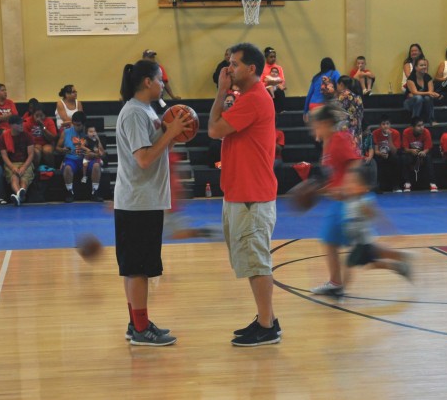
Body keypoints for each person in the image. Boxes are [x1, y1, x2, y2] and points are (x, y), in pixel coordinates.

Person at [208, 42, 281, 347]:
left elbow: (214, 129)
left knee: (256, 262)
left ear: (252, 68)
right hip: (242, 192)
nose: (229, 70)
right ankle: (267, 319)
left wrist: (220, 91)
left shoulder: (253, 99)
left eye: (234, 64)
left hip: (252, 195)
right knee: (252, 262)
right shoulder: (248, 97)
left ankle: (267, 328)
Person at [115, 59, 191, 346]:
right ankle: (140, 328)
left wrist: (173, 135)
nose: (163, 84)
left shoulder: (148, 110)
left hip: (145, 200)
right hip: (137, 201)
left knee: (137, 267)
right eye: (161, 79)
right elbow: (144, 159)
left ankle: (137, 322)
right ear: (147, 81)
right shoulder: (135, 113)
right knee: (137, 269)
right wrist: (170, 134)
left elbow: (153, 150)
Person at [308, 101, 362, 297]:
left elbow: (355, 163)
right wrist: (318, 189)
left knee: (363, 250)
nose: (313, 127)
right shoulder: (327, 143)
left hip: (348, 201)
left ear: (325, 123)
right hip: (338, 200)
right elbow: (332, 175)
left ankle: (400, 261)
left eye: (316, 123)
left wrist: (348, 185)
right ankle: (336, 283)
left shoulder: (339, 138)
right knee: (330, 241)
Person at [342, 165, 412, 285]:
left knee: (347, 264)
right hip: (359, 241)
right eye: (347, 181)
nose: (348, 184)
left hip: (363, 243)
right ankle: (400, 266)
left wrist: (392, 231)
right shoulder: (350, 199)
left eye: (353, 182)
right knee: (372, 264)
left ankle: (340, 290)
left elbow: (378, 217)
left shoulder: (363, 202)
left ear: (363, 187)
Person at [56, 111, 103, 203]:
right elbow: (57, 147)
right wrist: (62, 150)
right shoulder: (66, 132)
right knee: (67, 168)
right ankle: (70, 192)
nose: (77, 127)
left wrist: (97, 139)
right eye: (75, 124)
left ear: (84, 124)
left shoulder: (89, 133)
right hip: (71, 159)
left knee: (96, 166)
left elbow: (101, 152)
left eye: (79, 125)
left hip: (87, 160)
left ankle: (95, 192)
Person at [0, 115, 35, 206]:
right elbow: (4, 156)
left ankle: (18, 197)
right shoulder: (3, 137)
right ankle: (21, 196)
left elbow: (31, 154)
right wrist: (12, 167)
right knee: (14, 178)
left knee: (24, 179)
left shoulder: (27, 136)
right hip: (11, 163)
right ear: (11, 125)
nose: (21, 125)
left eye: (21, 123)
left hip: (25, 162)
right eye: (18, 124)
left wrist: (24, 167)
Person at [401, 117, 438, 193]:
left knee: (428, 158)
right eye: (419, 126)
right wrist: (411, 150)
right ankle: (407, 183)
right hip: (411, 153)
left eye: (422, 125)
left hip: (422, 153)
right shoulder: (406, 132)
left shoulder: (426, 132)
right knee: (404, 158)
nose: (422, 127)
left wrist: (424, 151)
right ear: (412, 127)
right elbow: (405, 148)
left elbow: (428, 147)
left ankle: (432, 183)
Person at [303, 57, 341, 123]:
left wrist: (305, 111)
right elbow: (340, 86)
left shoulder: (316, 77)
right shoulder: (335, 73)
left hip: (313, 105)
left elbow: (309, 94)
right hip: (325, 105)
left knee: (318, 129)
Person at [404, 57, 439, 125]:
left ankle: (431, 120)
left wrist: (429, 93)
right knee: (418, 97)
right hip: (409, 102)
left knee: (428, 98)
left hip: (423, 101)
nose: (424, 67)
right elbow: (415, 92)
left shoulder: (428, 77)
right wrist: (428, 93)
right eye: (421, 65)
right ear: (416, 67)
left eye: (425, 65)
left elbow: (431, 92)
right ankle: (414, 121)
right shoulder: (411, 78)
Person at [372, 115, 403, 193]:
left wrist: (389, 137)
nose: (386, 126)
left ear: (390, 125)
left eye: (387, 124)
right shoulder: (375, 133)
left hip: (391, 153)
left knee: (396, 159)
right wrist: (381, 154)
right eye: (383, 124)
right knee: (376, 160)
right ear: (380, 126)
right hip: (380, 154)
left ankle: (396, 186)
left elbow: (394, 151)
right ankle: (378, 186)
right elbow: (376, 151)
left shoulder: (395, 133)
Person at [24, 100, 57, 168]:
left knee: (47, 151)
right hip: (33, 144)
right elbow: (25, 138)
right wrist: (35, 145)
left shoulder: (49, 121)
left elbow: (53, 138)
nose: (39, 118)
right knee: (36, 152)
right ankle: (35, 172)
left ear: (45, 115)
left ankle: (51, 170)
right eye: (36, 115)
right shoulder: (27, 121)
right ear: (33, 115)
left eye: (41, 116)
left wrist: (43, 127)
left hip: (47, 143)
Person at [207, 93, 235, 168]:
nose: (229, 103)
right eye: (227, 101)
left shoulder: (237, 116)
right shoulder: (218, 115)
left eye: (231, 101)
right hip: (220, 142)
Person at [336, 75, 364, 148]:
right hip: (357, 131)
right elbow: (361, 114)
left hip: (346, 131)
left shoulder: (342, 96)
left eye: (337, 85)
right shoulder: (358, 97)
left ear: (341, 84)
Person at [261, 47, 286, 112]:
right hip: (266, 89)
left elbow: (282, 81)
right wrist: (268, 84)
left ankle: (280, 111)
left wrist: (273, 83)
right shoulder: (262, 68)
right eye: (271, 57)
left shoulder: (279, 68)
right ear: (266, 57)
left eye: (274, 57)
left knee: (280, 91)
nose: (273, 59)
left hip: (277, 88)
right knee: (267, 92)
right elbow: (260, 82)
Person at [360, 122, 378, 191]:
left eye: (369, 130)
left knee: (373, 162)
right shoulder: (355, 136)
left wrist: (370, 157)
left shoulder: (369, 135)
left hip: (366, 156)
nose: (369, 132)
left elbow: (371, 147)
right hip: (357, 156)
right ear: (362, 130)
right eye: (367, 130)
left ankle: (373, 186)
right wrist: (362, 157)